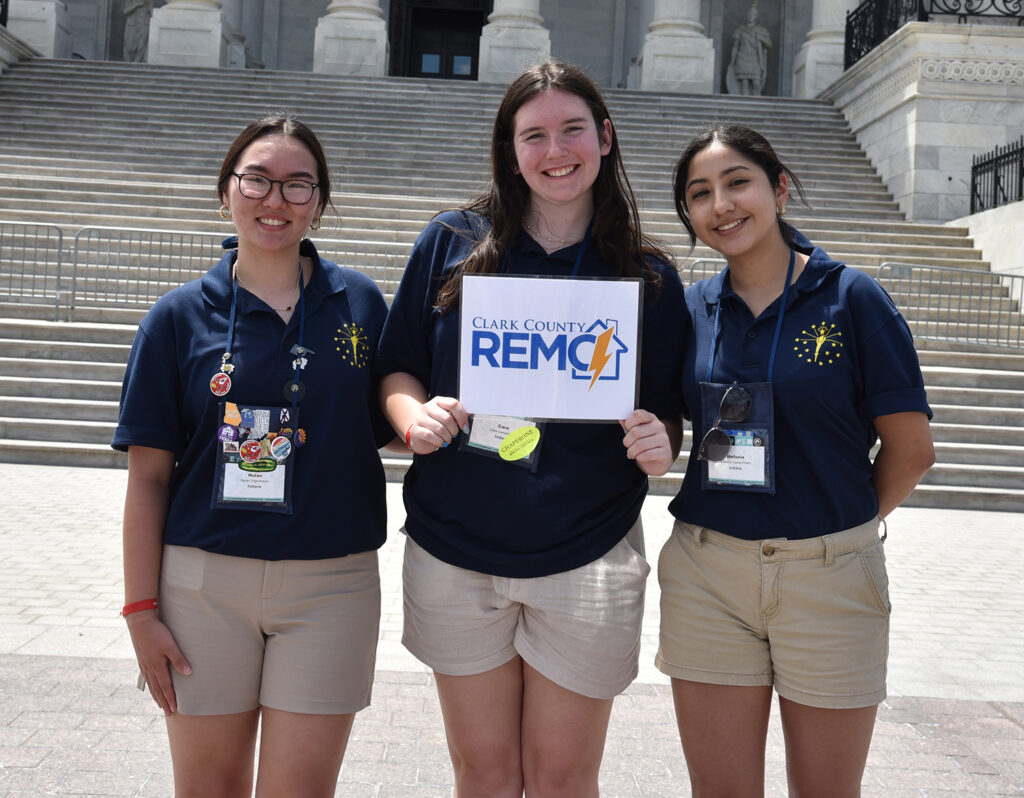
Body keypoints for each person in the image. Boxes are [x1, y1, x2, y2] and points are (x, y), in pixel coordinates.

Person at [375, 58, 687, 797]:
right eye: (534, 135)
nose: (556, 152)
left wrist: (661, 440)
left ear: (605, 138)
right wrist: (411, 416)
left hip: (589, 551)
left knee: (562, 778)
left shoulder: (647, 275)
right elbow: (396, 370)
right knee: (482, 774)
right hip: (457, 549)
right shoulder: (451, 242)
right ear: (509, 150)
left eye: (573, 130)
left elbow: (669, 407)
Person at [112, 115, 396, 797]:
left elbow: (395, 410)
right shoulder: (176, 318)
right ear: (225, 191)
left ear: (320, 202)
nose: (276, 201)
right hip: (204, 587)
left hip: (331, 587)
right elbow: (148, 478)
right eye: (258, 181)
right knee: (208, 788)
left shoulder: (359, 304)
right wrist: (140, 611)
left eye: (299, 186)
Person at [657, 124, 935, 797]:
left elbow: (911, 450)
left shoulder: (852, 298)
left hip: (830, 577)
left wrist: (837, 532)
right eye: (700, 193)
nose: (720, 204)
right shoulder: (689, 308)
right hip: (708, 574)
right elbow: (665, 414)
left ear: (779, 189)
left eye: (737, 182)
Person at [726, 3, 771, 96]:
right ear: (747, 15)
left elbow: (769, 44)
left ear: (756, 16)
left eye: (753, 14)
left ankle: (756, 104)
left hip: (755, 59)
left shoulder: (761, 30)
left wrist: (762, 39)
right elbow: (735, 46)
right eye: (750, 14)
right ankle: (744, 104)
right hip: (742, 57)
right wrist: (732, 61)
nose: (751, 16)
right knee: (744, 83)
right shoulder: (740, 30)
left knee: (756, 83)